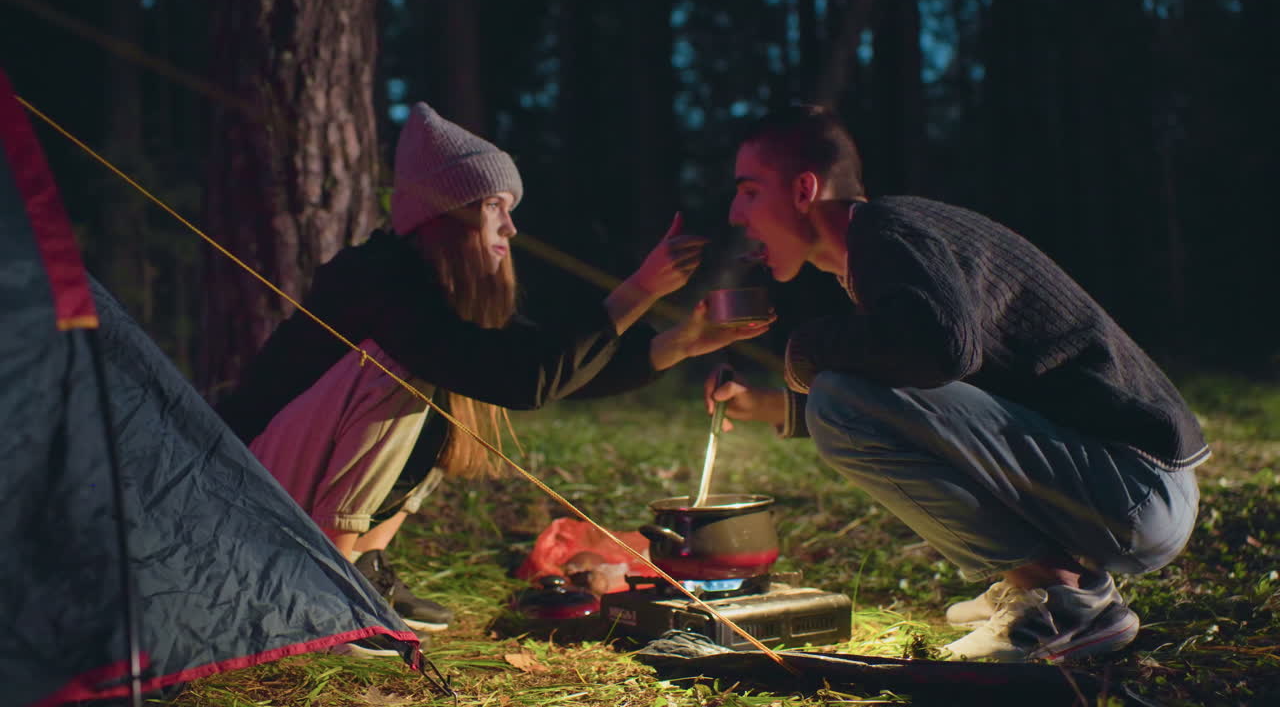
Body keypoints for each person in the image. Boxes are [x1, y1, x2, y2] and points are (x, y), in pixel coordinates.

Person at [217, 102, 771, 645]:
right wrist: (642, 290)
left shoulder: (439, 291)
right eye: (493, 206)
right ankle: (326, 588)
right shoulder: (380, 283)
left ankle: (364, 565)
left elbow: (553, 370)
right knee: (396, 370)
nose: (509, 225)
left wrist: (682, 342)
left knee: (451, 383)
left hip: (284, 481)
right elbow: (524, 380)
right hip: (244, 491)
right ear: (448, 213)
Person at [704, 104, 1207, 663]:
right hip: (1126, 485)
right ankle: (1044, 585)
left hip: (1134, 486)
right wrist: (775, 406)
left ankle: (1062, 597)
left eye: (749, 191)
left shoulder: (885, 233)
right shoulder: (891, 241)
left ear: (803, 189)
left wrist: (805, 351)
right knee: (837, 397)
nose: (735, 213)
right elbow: (935, 393)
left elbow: (941, 351)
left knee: (838, 398)